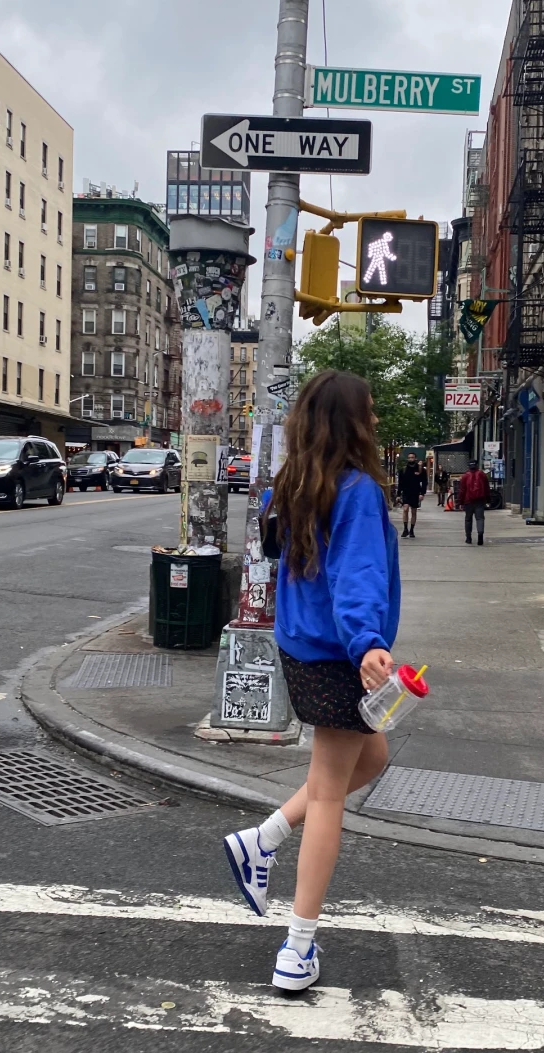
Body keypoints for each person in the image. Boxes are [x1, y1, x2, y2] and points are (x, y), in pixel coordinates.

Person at [222, 370, 399, 992]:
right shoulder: (356, 490)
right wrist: (368, 645)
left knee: (368, 757)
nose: (375, 419)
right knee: (329, 794)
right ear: (350, 421)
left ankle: (261, 840)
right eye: (370, 410)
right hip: (339, 653)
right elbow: (357, 578)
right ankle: (297, 949)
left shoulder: (290, 486)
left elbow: (280, 563)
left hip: (302, 649)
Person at [459, 458, 491, 545]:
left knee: (468, 519)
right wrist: (488, 500)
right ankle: (480, 534)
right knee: (480, 518)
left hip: (468, 500)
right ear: (476, 465)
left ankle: (468, 538)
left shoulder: (465, 476)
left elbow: (462, 490)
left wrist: (460, 502)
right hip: (480, 500)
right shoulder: (482, 474)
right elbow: (487, 488)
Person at [396, 452, 427, 539]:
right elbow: (400, 483)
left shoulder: (420, 469)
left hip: (415, 492)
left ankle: (412, 530)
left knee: (414, 511)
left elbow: (424, 482)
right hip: (406, 492)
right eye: (409, 457)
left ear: (415, 458)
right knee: (405, 509)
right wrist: (398, 494)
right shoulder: (404, 469)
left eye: (412, 457)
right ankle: (405, 529)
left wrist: (422, 493)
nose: (411, 459)